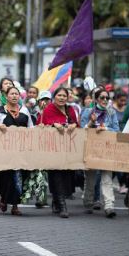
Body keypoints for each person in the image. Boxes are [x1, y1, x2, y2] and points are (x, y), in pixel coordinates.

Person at [0, 86, 33, 216]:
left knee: (18, 177)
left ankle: (15, 205)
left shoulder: (25, 111)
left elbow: (31, 127)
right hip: (4, 151)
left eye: (16, 94)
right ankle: (3, 198)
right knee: (5, 177)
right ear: (6, 96)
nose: (14, 96)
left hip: (21, 151)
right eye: (11, 94)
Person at [40, 87, 79, 218]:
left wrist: (73, 125)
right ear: (54, 96)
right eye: (59, 95)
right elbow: (44, 125)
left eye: (64, 96)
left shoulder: (71, 109)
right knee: (56, 175)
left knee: (65, 176)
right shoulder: (48, 109)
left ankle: (56, 201)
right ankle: (62, 205)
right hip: (53, 149)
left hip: (68, 149)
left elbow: (76, 124)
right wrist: (54, 125)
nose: (62, 98)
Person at [81, 89, 119, 218]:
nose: (105, 100)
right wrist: (91, 122)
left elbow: (116, 130)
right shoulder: (87, 111)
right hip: (91, 149)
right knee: (90, 179)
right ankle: (88, 202)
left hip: (107, 149)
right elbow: (82, 130)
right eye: (102, 97)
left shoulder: (111, 112)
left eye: (107, 98)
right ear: (96, 99)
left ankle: (109, 206)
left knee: (107, 178)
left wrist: (105, 128)